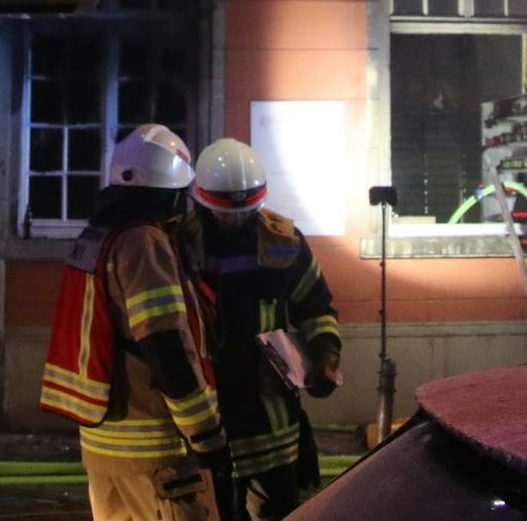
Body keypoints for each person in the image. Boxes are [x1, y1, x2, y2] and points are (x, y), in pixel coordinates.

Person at [40, 124, 230, 521]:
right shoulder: (144, 242)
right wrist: (205, 433)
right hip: (157, 451)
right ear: (172, 193)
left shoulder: (97, 237)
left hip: (103, 446)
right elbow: (165, 344)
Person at [187, 138, 342, 521]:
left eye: (244, 211)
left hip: (269, 408)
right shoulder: (180, 242)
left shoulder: (284, 240)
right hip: (210, 404)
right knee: (217, 508)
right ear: (203, 201)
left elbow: (315, 306)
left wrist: (326, 355)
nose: (235, 219)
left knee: (280, 508)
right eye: (225, 213)